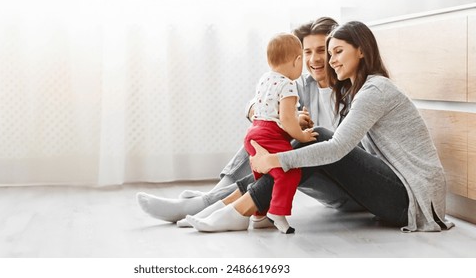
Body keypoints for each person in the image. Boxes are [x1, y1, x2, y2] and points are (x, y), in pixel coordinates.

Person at [191, 20, 455, 233]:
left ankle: (239, 208)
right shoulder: (360, 91)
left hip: (412, 200)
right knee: (309, 141)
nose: (331, 61)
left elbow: (338, 148)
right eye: (331, 54)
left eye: (338, 52)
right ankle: (235, 205)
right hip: (399, 194)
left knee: (320, 138)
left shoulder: (376, 90)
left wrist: (277, 159)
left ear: (361, 50)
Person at [136, 17, 364, 228]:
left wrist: (297, 129)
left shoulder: (352, 88)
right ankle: (212, 198)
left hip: (344, 186)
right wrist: (267, 115)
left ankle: (206, 203)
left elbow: (347, 149)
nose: (314, 59)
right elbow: (252, 104)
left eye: (322, 51)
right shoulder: (301, 84)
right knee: (264, 132)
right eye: (307, 52)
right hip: (308, 170)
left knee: (287, 140)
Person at [240, 33, 318, 234]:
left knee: (265, 176)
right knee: (290, 171)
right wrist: (302, 136)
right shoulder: (288, 84)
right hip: (270, 135)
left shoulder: (265, 79)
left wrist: (295, 116)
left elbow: (269, 111)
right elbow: (286, 119)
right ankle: (277, 212)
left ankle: (259, 216)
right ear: (298, 60)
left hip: (254, 132)